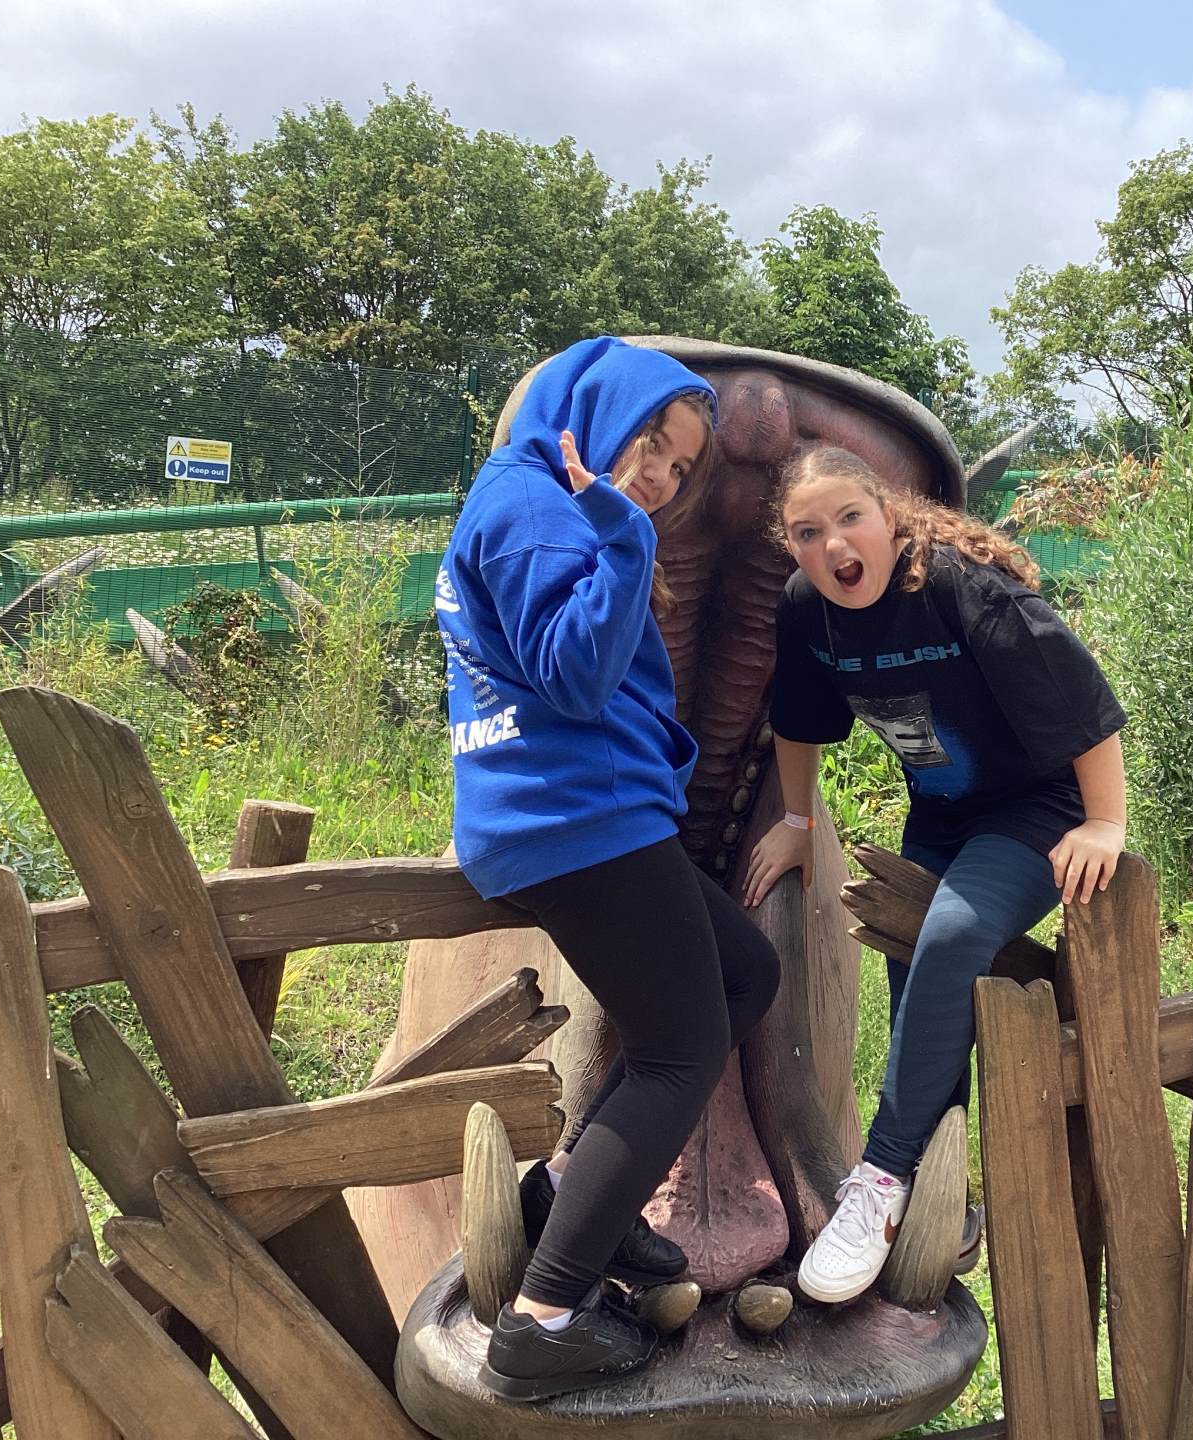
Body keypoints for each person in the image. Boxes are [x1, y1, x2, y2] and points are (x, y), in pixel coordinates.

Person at [437, 336, 780, 1399]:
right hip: (576, 817)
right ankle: (544, 1320)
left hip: (588, 812)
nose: (663, 479)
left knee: (746, 975)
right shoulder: (536, 507)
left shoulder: (534, 504)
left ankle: (571, 1195)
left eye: (680, 468)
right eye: (651, 444)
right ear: (589, 417)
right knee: (681, 1049)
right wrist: (626, 535)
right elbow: (578, 677)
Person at [743, 444, 1126, 1304]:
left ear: (887, 517)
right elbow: (797, 720)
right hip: (943, 815)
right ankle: (941, 1199)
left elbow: (1084, 702)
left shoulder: (957, 586)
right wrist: (798, 823)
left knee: (951, 937)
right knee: (918, 972)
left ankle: (879, 1178)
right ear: (791, 545)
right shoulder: (808, 608)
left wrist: (1104, 822)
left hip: (1041, 809)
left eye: (850, 517)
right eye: (807, 531)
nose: (834, 544)